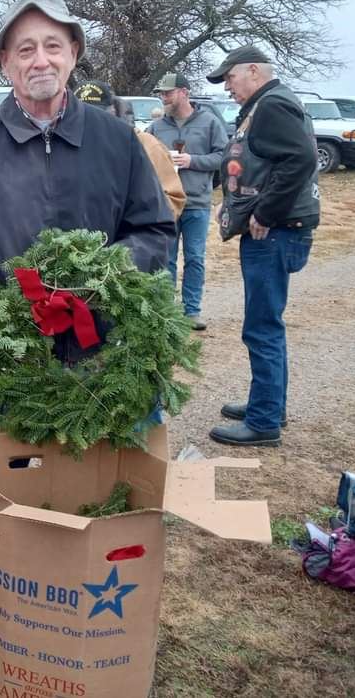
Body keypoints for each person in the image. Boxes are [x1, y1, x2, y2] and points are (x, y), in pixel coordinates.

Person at [0, 0, 176, 435]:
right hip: (10, 362)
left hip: (106, 354)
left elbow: (154, 230)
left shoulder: (116, 141)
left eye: (53, 46)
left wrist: (104, 275)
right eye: (25, 49)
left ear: (73, 54)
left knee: (111, 490)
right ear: (5, 63)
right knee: (11, 495)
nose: (41, 60)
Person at [205, 45, 319, 448]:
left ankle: (265, 421)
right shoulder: (271, 103)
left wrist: (265, 214)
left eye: (230, 78)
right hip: (279, 230)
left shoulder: (272, 105)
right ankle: (269, 404)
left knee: (262, 327)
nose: (227, 88)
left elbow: (301, 160)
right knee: (267, 324)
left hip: (274, 233)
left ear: (253, 70)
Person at [147, 73, 228, 330]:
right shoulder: (157, 127)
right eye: (161, 93)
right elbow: (143, 156)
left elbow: (223, 157)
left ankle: (191, 312)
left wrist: (193, 161)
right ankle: (167, 311)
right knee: (166, 258)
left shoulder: (210, 122)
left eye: (168, 93)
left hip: (197, 202)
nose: (164, 97)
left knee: (194, 257)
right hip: (167, 204)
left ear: (184, 92)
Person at [74, 80, 186, 219]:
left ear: (113, 111)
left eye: (98, 113)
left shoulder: (146, 145)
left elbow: (173, 199)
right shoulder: (65, 146)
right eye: (83, 114)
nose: (91, 120)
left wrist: (134, 226)